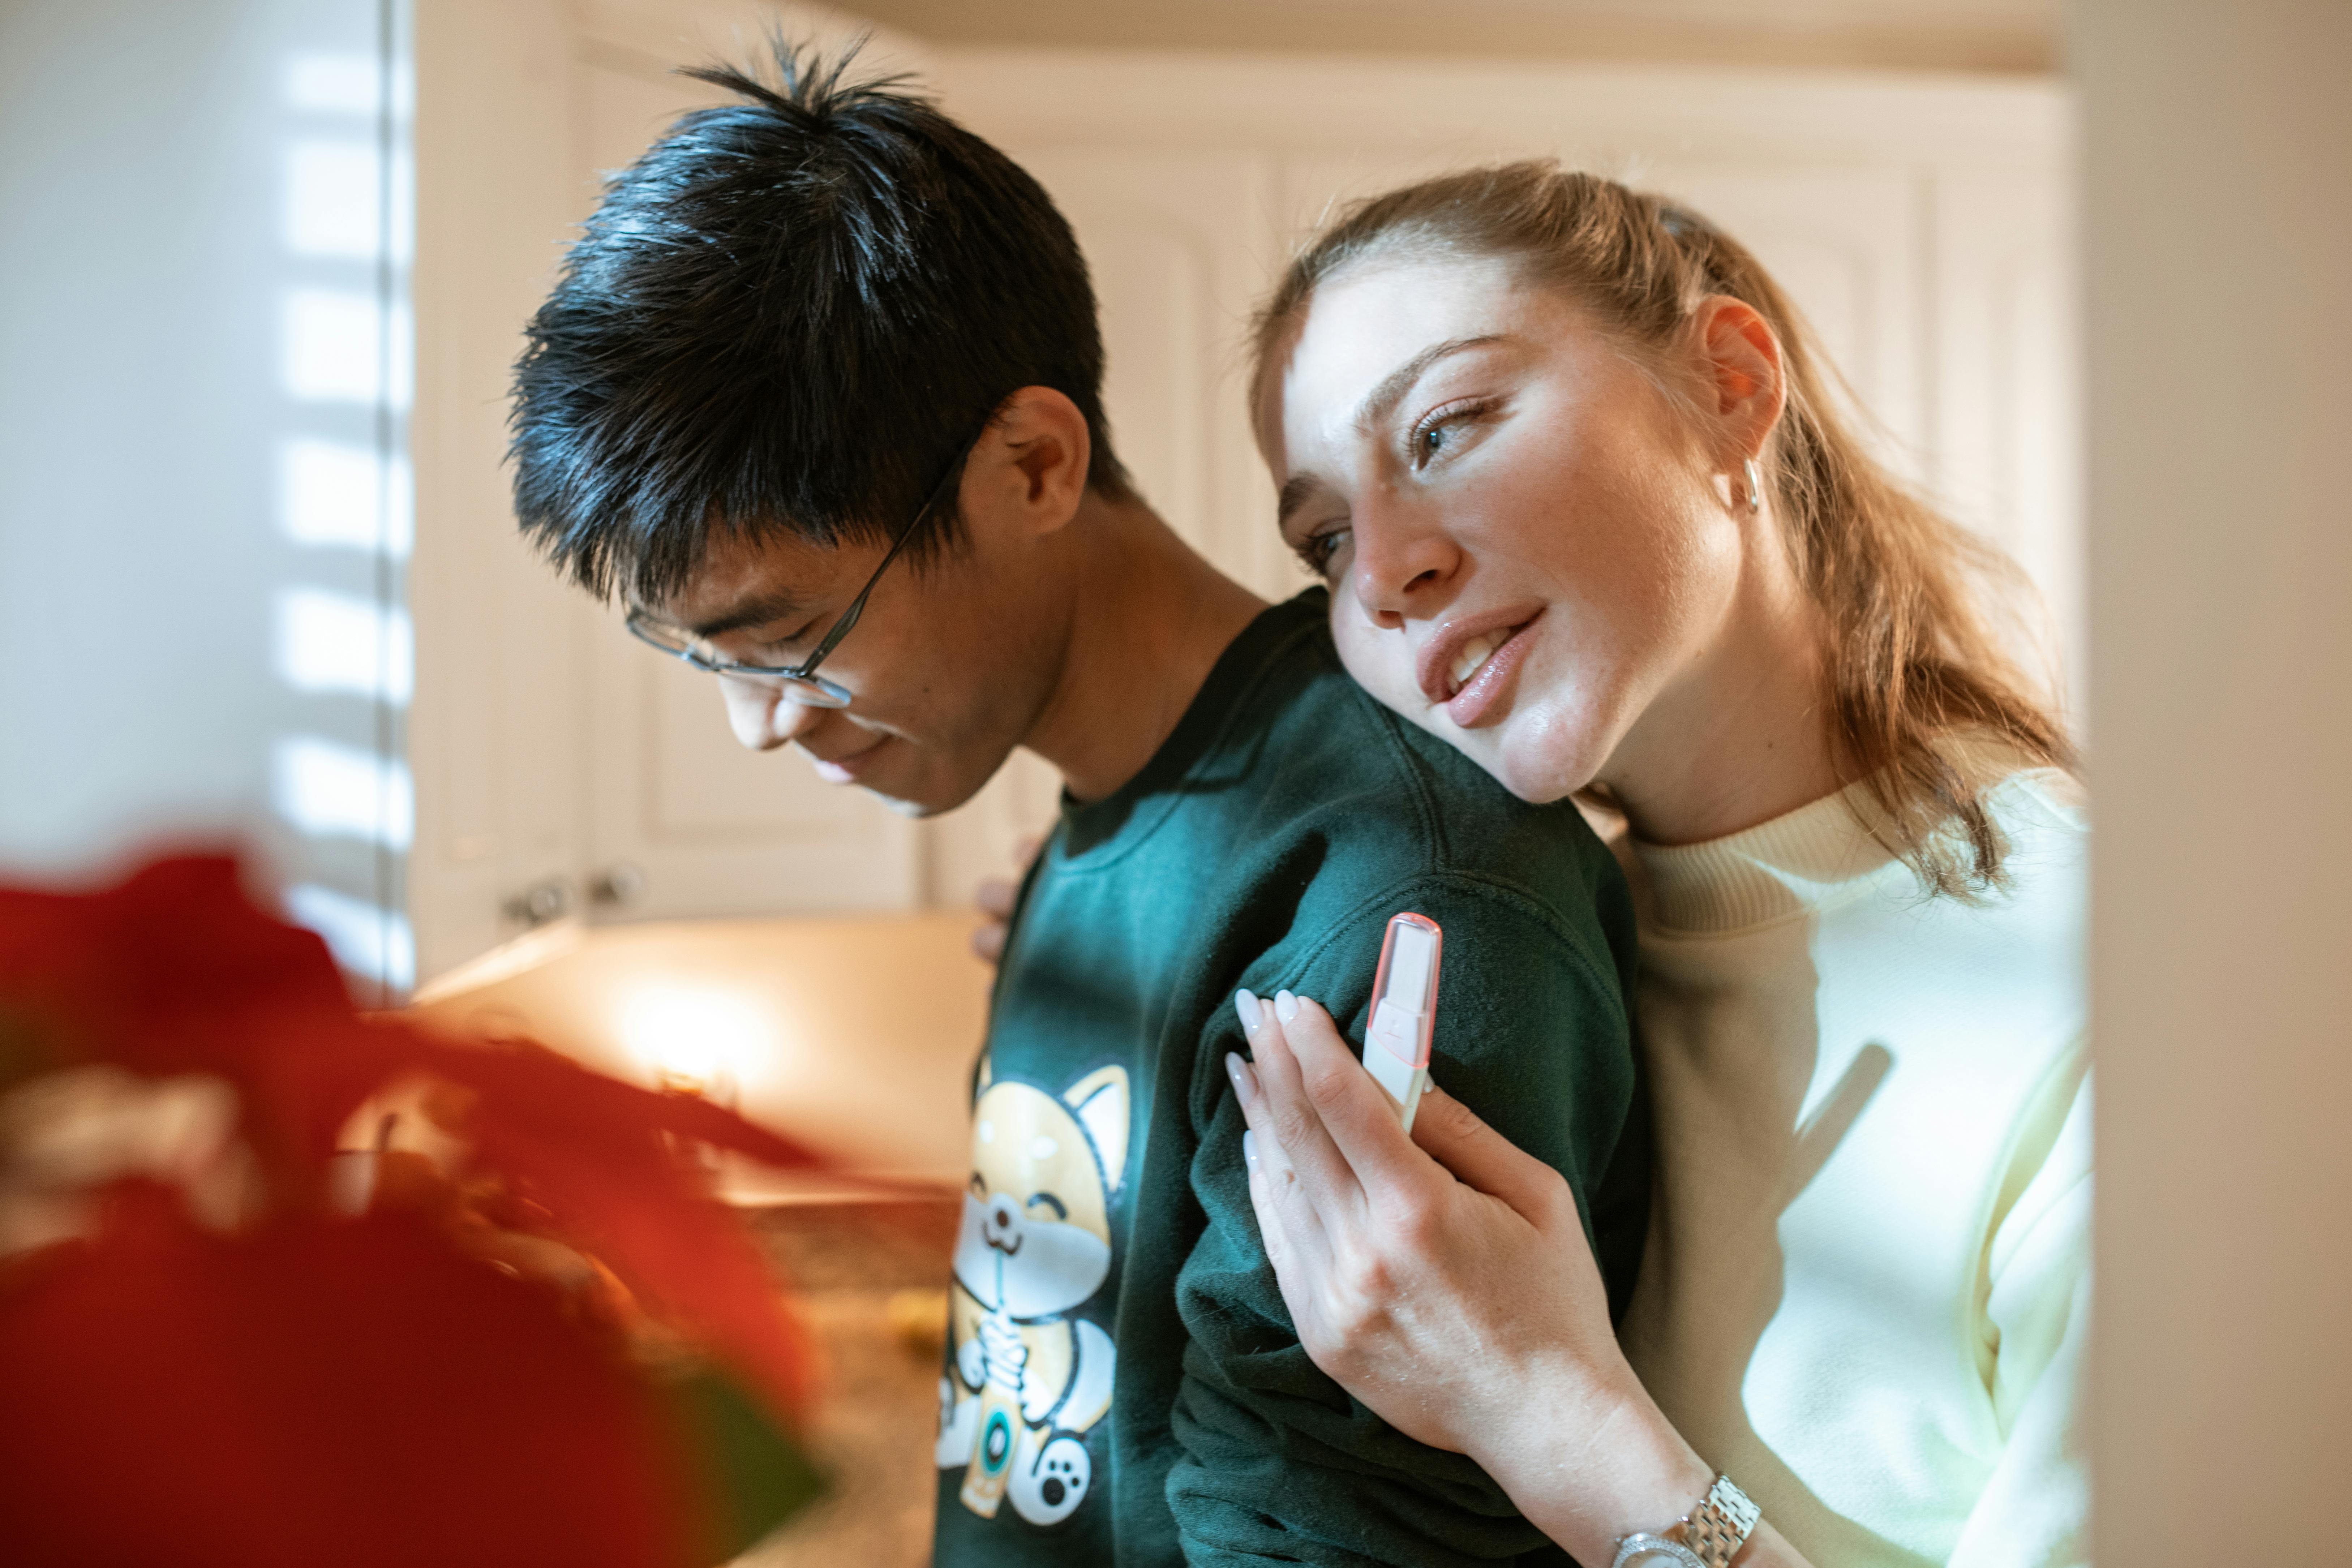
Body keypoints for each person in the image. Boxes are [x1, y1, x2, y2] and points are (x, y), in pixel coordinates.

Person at [508, 52, 1651, 1568]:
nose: (760, 722)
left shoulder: (1393, 901)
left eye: (788, 638)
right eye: (700, 654)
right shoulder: (1107, 819)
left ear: (1031, 465)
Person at [1216, 164, 2089, 1568]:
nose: (1380, 568)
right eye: (1323, 538)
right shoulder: (1547, 943)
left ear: (1731, 387)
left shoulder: (2104, 997)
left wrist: (1543, 1407)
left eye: (1443, 427)